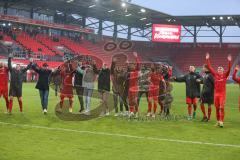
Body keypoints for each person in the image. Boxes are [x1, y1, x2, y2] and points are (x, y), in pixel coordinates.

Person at [206, 53, 232, 127]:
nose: (219, 69)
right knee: (217, 108)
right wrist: (207, 59)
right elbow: (210, 67)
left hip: (222, 94)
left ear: (223, 70)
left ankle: (221, 121)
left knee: (221, 107)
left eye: (221, 68)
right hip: (216, 94)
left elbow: (229, 69)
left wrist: (229, 61)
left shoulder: (225, 75)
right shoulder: (215, 75)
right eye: (218, 69)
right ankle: (218, 121)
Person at [127, 52, 140, 118]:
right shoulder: (129, 73)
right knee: (130, 101)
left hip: (135, 88)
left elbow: (138, 64)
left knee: (134, 101)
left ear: (134, 66)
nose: (131, 66)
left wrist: (136, 57)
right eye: (130, 66)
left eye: (132, 65)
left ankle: (137, 112)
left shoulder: (136, 71)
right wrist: (127, 64)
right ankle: (131, 112)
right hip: (130, 88)